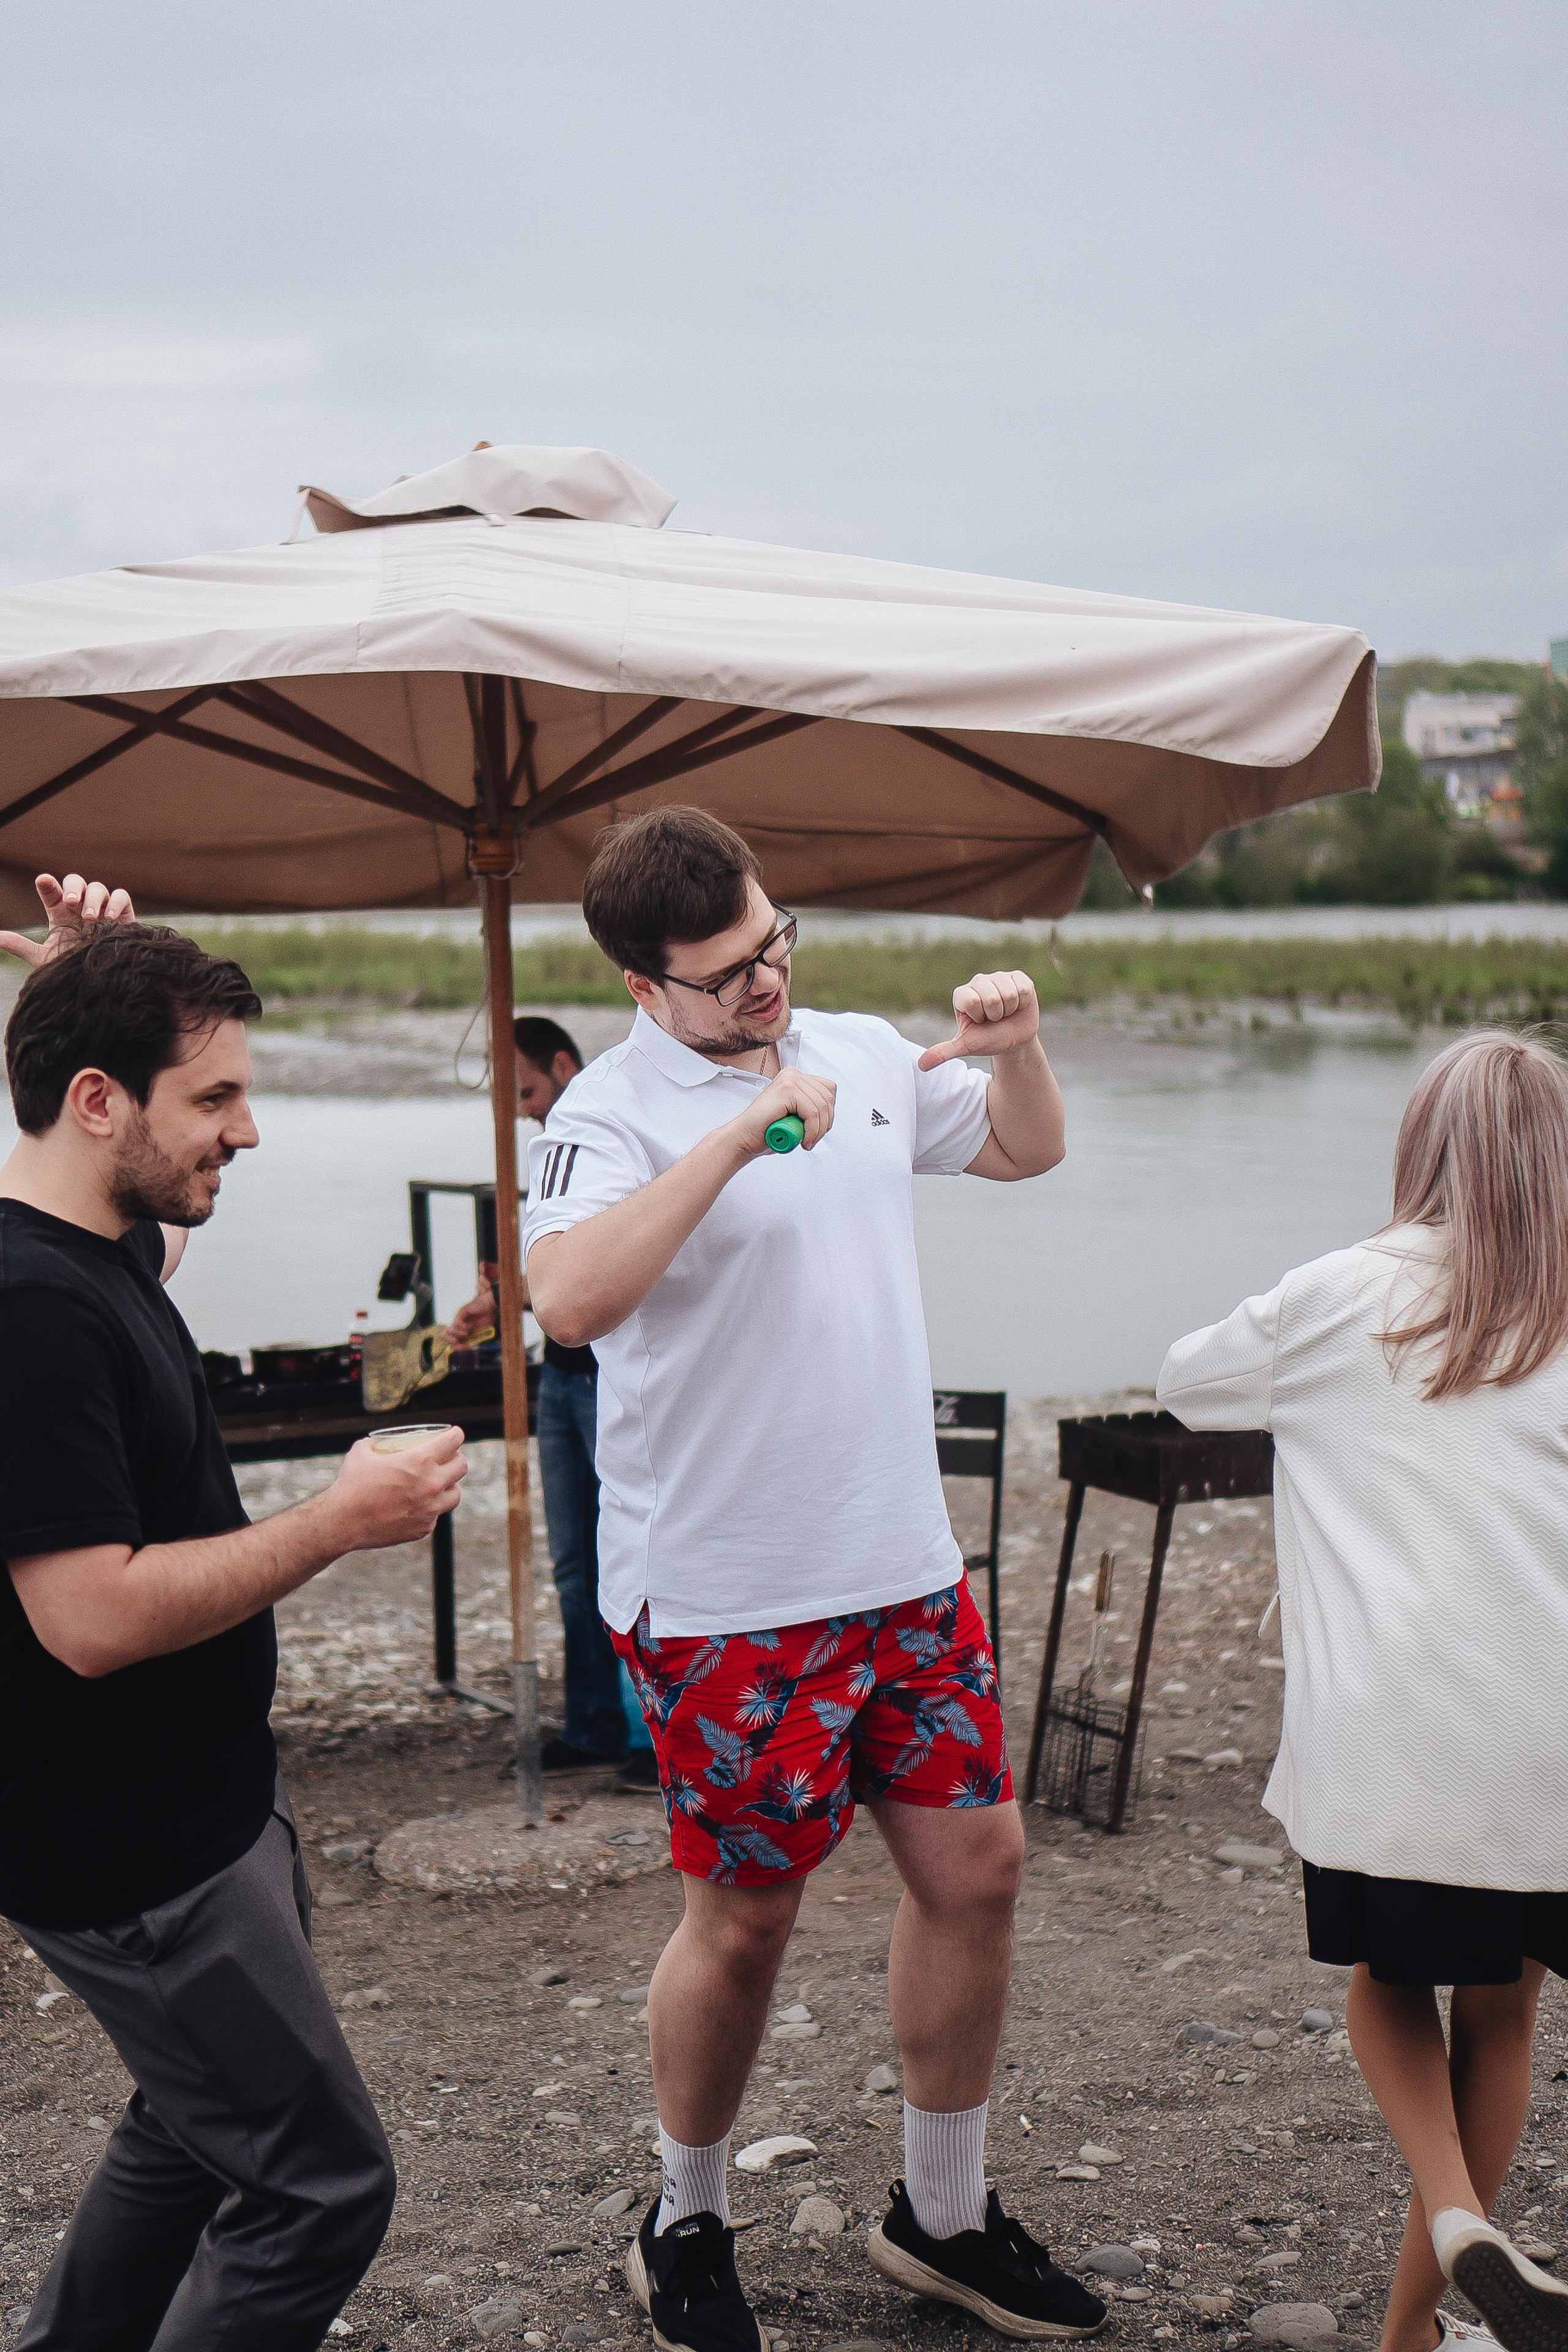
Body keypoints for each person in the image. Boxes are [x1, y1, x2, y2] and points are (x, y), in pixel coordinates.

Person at [521, 808, 1104, 2351]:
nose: (766, 984)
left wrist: (1018, 1045)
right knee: (749, 1918)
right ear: (647, 986)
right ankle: (684, 2217)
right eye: (725, 975)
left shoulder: (848, 1043)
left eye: (773, 942)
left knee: (976, 1870)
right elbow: (569, 1298)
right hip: (723, 1593)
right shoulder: (605, 1108)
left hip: (900, 1567)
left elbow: (1025, 1145)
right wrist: (735, 1127)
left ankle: (945, 2212)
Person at [0, 879, 467, 2352]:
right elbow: (86, 1615)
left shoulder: (99, 1248)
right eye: (215, 1095)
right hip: (133, 1855)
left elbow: (139, 1222)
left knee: (198, 2128)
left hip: (205, 1810)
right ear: (97, 1100)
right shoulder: (27, 1311)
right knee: (320, 2188)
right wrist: (338, 1519)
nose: (247, 1129)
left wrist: (84, 973)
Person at [1157, 1029, 1568, 2352]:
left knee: (1385, 1984)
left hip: (1390, 1752)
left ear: (1417, 1152)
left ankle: (1451, 2213)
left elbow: (1180, 1384)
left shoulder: (1335, 1295)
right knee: (1502, 1999)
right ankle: (1411, 2335)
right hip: (1543, 1748)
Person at [448, 1014, 655, 1785]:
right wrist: (507, 1302)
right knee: (574, 1564)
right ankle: (595, 1724)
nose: (526, 1109)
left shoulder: (614, 1133)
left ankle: (649, 1739)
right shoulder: (555, 1147)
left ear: (565, 1066)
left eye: (530, 1091)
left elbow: (612, 1265)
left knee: (633, 1555)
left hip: (616, 1379)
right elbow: (566, 1273)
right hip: (561, 1379)